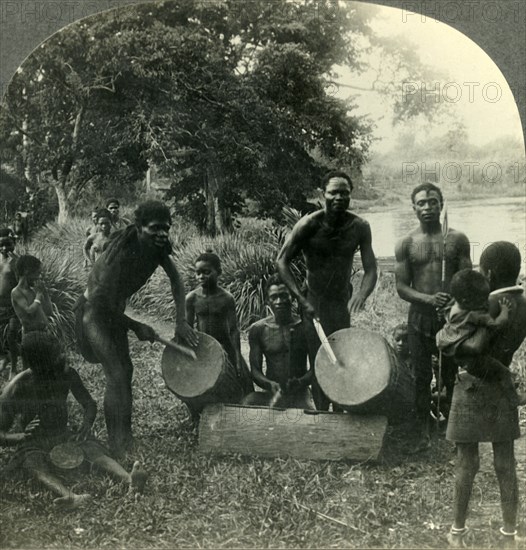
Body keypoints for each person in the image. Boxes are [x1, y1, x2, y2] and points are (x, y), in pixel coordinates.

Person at [75, 200, 198, 456]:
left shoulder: (157, 247)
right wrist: (136, 326)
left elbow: (176, 281)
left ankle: (125, 436)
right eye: (155, 228)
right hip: (92, 313)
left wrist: (181, 321)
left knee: (126, 371)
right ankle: (115, 444)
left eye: (166, 228)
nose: (162, 233)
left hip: (112, 312)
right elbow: (100, 303)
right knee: (116, 374)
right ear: (139, 227)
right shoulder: (117, 257)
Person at [0, 331, 148, 510]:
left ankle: (129, 479)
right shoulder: (19, 387)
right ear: (37, 365)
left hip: (64, 435)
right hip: (34, 442)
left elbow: (89, 404)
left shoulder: (66, 374)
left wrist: (86, 424)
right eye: (55, 358)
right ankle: (69, 496)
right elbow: (2, 435)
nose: (62, 359)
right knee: (35, 466)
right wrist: (22, 436)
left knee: (94, 452)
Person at [445, 242, 526, 548]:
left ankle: (457, 531)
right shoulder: (523, 302)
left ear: (488, 273)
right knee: (505, 463)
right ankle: (509, 531)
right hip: (502, 388)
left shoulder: (480, 306)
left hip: (471, 385)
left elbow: (464, 352)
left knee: (467, 463)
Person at [276, 170, 377, 411]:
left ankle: (341, 410)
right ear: (323, 195)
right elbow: (281, 261)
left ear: (350, 195)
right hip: (314, 301)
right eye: (334, 192)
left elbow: (371, 269)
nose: (339, 197)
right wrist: (301, 300)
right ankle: (322, 413)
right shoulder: (309, 225)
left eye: (345, 193)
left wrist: (361, 295)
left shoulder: (359, 226)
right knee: (319, 355)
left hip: (341, 301)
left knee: (342, 356)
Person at [395, 182, 471, 451]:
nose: (427, 207)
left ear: (441, 204)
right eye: (422, 203)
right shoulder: (406, 243)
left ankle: (454, 430)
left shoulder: (456, 240)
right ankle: (422, 432)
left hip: (451, 319)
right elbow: (402, 287)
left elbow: (466, 280)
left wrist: (454, 299)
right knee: (421, 376)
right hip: (419, 319)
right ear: (413, 207)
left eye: (432, 201)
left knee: (450, 374)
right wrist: (428, 299)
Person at [436, 268, 525, 406]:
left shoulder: (453, 309)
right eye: (481, 299)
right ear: (467, 300)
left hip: (460, 356)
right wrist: (504, 312)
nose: (485, 302)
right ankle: (514, 399)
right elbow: (497, 324)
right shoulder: (474, 315)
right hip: (474, 360)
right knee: (504, 372)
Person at [185, 251, 253, 408]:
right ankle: (198, 414)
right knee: (196, 383)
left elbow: (233, 330)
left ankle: (242, 410)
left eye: (206, 272)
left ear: (219, 272)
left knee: (242, 379)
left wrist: (237, 357)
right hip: (202, 346)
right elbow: (188, 327)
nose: (201, 276)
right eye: (198, 273)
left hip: (224, 346)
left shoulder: (226, 298)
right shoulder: (192, 298)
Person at [242, 274, 315, 409]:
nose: (279, 301)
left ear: (292, 297)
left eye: (283, 295)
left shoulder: (306, 327)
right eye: (274, 297)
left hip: (299, 393)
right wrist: (270, 384)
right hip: (272, 392)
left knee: (306, 418)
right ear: (267, 302)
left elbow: (315, 368)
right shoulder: (258, 329)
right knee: (247, 403)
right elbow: (255, 371)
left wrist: (301, 382)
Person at [11, 255, 53, 335]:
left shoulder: (34, 290)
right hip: (31, 335)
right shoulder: (16, 292)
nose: (39, 277)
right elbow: (29, 311)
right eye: (37, 273)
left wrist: (45, 293)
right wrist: (39, 296)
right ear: (27, 271)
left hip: (44, 332)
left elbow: (49, 311)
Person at [0, 232, 20, 377]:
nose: (4, 247)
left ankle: (13, 368)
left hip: (13, 306)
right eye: (1, 244)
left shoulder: (17, 262)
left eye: (8, 244)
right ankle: (4, 358)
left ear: (14, 243)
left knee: (12, 336)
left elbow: (22, 284)